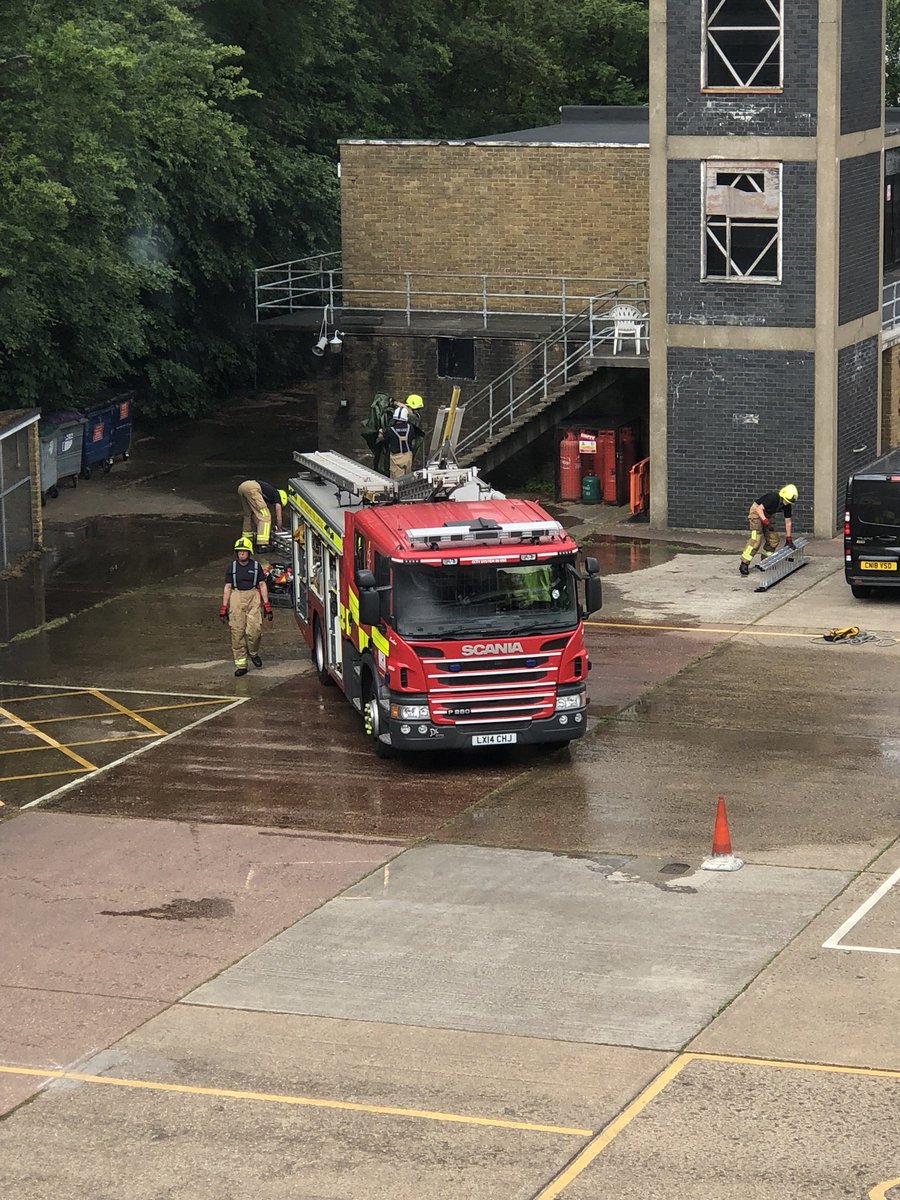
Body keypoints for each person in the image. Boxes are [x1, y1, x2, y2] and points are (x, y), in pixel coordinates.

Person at [219, 536, 273, 676]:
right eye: (239, 551)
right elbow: (227, 587)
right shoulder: (232, 567)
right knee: (237, 633)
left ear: (249, 552)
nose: (241, 553)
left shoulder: (256, 567)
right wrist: (224, 607)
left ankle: (253, 652)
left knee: (254, 631)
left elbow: (262, 585)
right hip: (236, 597)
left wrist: (266, 605)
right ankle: (242, 665)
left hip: (253, 597)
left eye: (244, 551)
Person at [739, 484, 798, 576]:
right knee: (756, 539)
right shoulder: (773, 497)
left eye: (788, 502)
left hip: (767, 515)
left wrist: (788, 538)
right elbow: (759, 509)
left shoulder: (787, 505)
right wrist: (766, 521)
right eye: (786, 501)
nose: (786, 503)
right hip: (756, 513)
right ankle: (744, 563)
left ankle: (765, 562)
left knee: (774, 540)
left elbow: (788, 522)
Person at [237, 480, 287, 552]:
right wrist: (279, 528)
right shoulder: (277, 496)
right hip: (252, 488)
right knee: (265, 516)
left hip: (242, 487)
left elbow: (256, 514)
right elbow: (279, 517)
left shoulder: (269, 492)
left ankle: (247, 539)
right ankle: (263, 544)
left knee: (249, 515)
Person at [385, 393, 425, 478]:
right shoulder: (411, 427)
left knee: (397, 482)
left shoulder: (391, 428)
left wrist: (396, 403)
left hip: (396, 457)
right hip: (407, 455)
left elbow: (385, 438)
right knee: (407, 480)